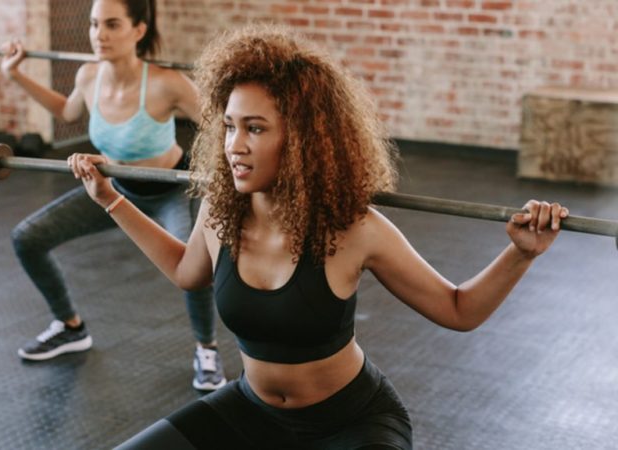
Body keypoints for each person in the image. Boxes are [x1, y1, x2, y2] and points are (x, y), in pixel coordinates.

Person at [69, 25, 569, 449]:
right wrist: (111, 199)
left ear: (302, 140)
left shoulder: (355, 229)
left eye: (256, 129)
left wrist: (519, 254)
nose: (234, 147)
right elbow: (187, 272)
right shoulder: (221, 215)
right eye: (228, 127)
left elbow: (459, 310)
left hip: (352, 424)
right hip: (250, 412)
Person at [0, 0, 226, 392]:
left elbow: (222, 123)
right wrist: (14, 74)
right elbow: (68, 112)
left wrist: (221, 172)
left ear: (138, 30)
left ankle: (207, 349)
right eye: (93, 24)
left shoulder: (165, 82)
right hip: (111, 188)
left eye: (111, 25)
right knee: (27, 237)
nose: (98, 35)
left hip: (169, 190)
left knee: (193, 271)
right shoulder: (89, 76)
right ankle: (70, 328)